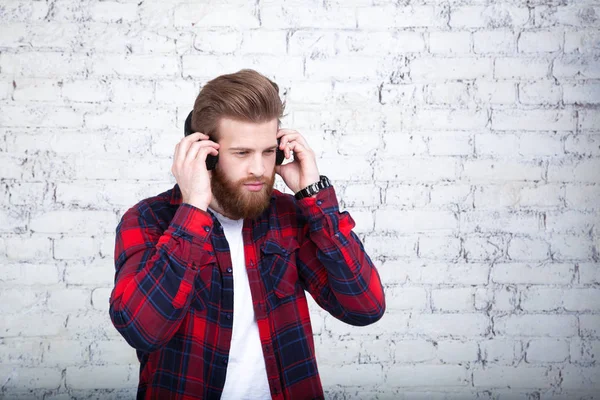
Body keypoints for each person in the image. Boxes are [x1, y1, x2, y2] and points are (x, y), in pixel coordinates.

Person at [109, 69, 385, 400]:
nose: (259, 168)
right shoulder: (148, 219)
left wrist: (314, 198)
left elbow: (364, 307)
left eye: (269, 152)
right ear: (206, 154)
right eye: (242, 153)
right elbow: (143, 330)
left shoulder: (289, 216)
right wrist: (194, 208)